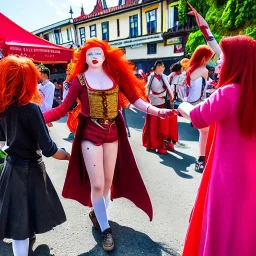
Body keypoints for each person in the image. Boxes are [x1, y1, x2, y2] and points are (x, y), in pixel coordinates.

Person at [43, 39, 177, 251]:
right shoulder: (79, 80)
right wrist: (36, 117)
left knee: (107, 181)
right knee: (97, 185)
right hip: (90, 133)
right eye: (89, 53)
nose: (94, 56)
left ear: (106, 55)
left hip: (113, 132)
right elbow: (63, 108)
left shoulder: (115, 76)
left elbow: (135, 100)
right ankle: (106, 230)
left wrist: (158, 111)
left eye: (98, 52)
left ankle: (98, 215)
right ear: (83, 58)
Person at [179, 4, 256, 256]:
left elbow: (199, 117)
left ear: (235, 61)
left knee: (222, 228)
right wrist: (205, 28)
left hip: (226, 175)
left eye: (222, 58)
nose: (218, 63)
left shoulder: (227, 93)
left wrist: (184, 105)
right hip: (251, 176)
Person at [0, 55, 70, 256]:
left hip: (11, 167)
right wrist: (67, 156)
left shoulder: (3, 108)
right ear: (28, 80)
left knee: (18, 221)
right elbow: (49, 149)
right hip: (31, 168)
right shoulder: (31, 109)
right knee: (23, 221)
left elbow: (2, 139)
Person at [185, 45, 214, 172]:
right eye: (209, 58)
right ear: (204, 58)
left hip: (191, 105)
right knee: (208, 133)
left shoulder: (190, 70)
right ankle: (205, 159)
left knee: (204, 133)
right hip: (201, 104)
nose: (210, 60)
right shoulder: (203, 70)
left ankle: (202, 158)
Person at [142, 60, 178, 154]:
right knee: (154, 125)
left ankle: (165, 143)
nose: (162, 68)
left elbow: (169, 90)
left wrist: (169, 96)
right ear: (156, 67)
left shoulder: (164, 77)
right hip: (154, 104)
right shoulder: (151, 77)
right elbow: (148, 91)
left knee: (165, 125)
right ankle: (153, 144)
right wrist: (159, 95)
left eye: (163, 67)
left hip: (164, 103)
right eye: (160, 66)